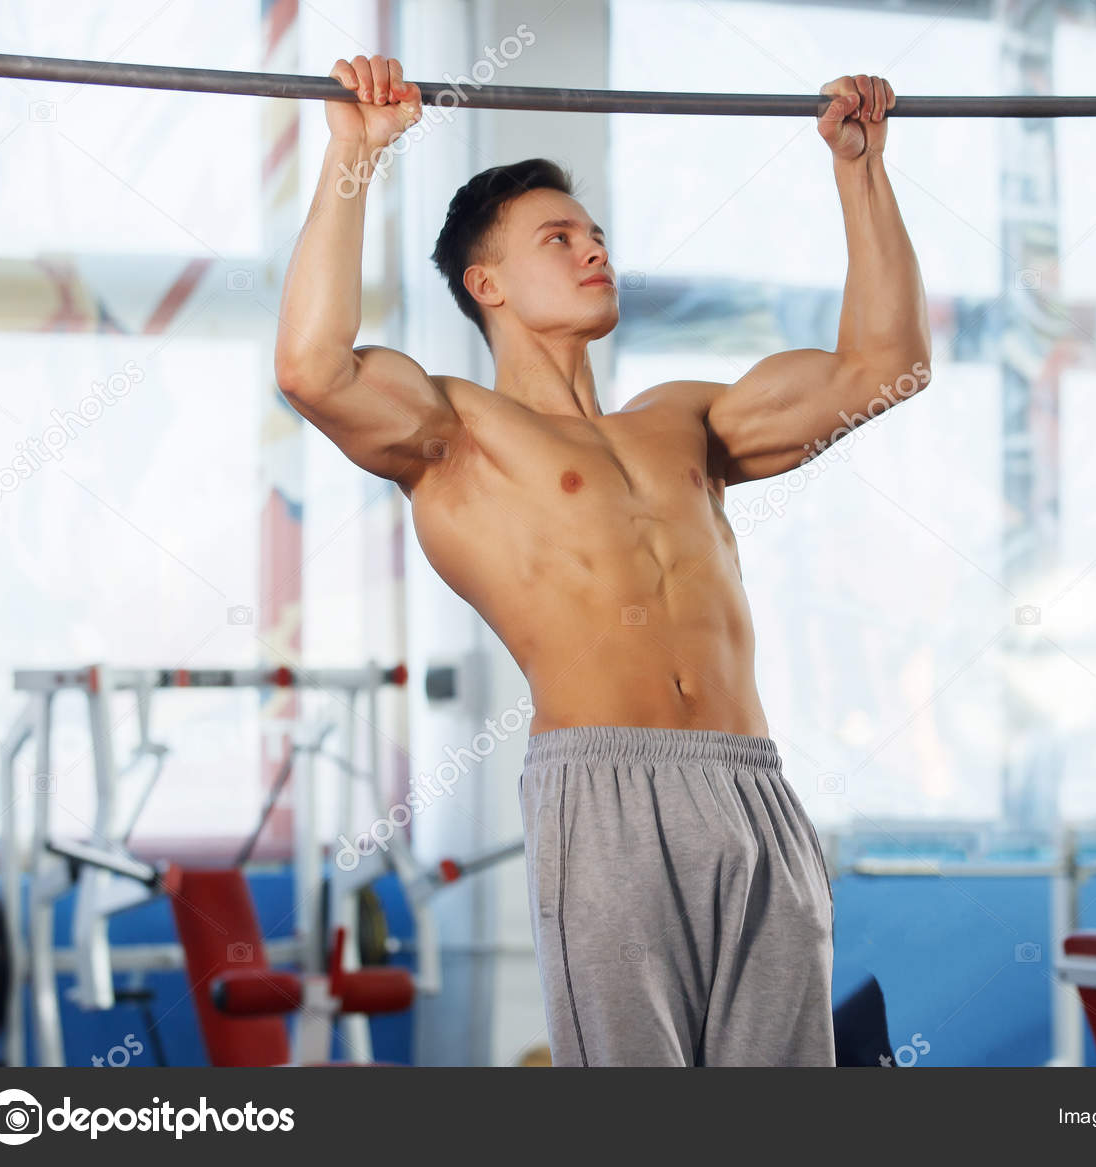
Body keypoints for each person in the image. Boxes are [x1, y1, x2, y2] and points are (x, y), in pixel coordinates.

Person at [275, 53, 931, 1066]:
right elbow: (313, 370)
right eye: (558, 238)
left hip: (755, 785)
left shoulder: (685, 421)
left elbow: (884, 367)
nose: (593, 252)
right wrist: (356, 155)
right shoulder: (457, 433)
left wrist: (860, 169)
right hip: (609, 792)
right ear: (483, 283)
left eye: (596, 237)